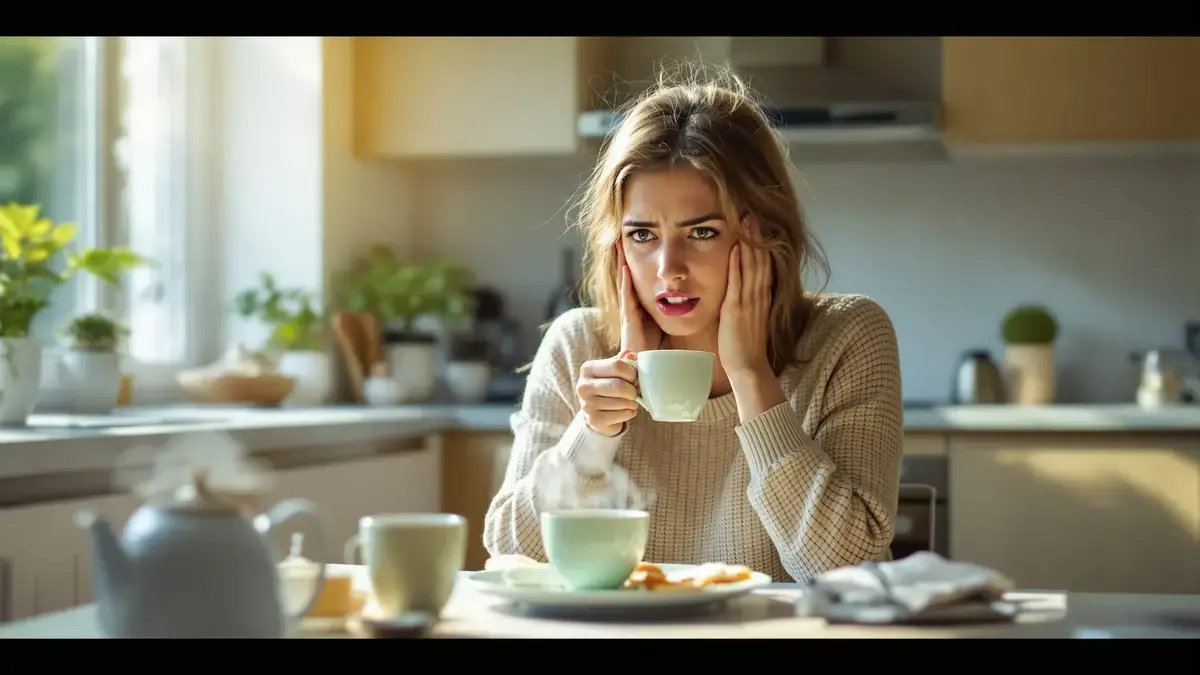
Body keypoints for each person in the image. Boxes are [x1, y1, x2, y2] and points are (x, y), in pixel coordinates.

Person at [482, 64, 904, 584]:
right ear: (617, 248)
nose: (668, 270)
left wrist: (752, 376)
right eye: (641, 235)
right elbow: (510, 556)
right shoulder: (579, 344)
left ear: (763, 234)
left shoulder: (847, 336)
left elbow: (852, 574)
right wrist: (595, 433)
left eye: (700, 231)